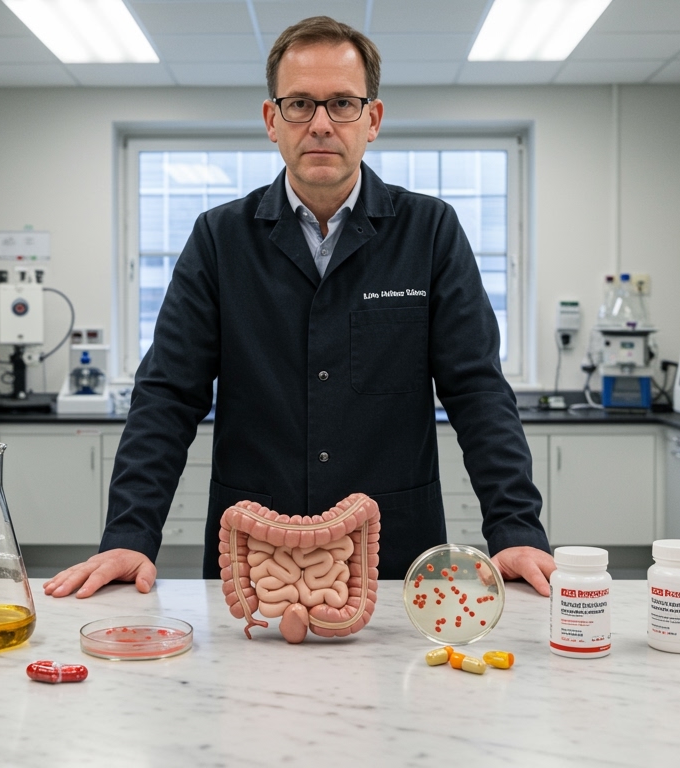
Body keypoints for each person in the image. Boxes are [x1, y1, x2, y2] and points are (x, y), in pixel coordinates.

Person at [44, 16, 555, 600]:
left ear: (372, 120)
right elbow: (167, 394)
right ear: (271, 121)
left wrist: (515, 527)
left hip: (394, 556)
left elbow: (477, 390)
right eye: (298, 105)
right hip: (256, 555)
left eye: (342, 103)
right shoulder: (219, 239)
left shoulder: (430, 231)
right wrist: (130, 533)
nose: (320, 124)